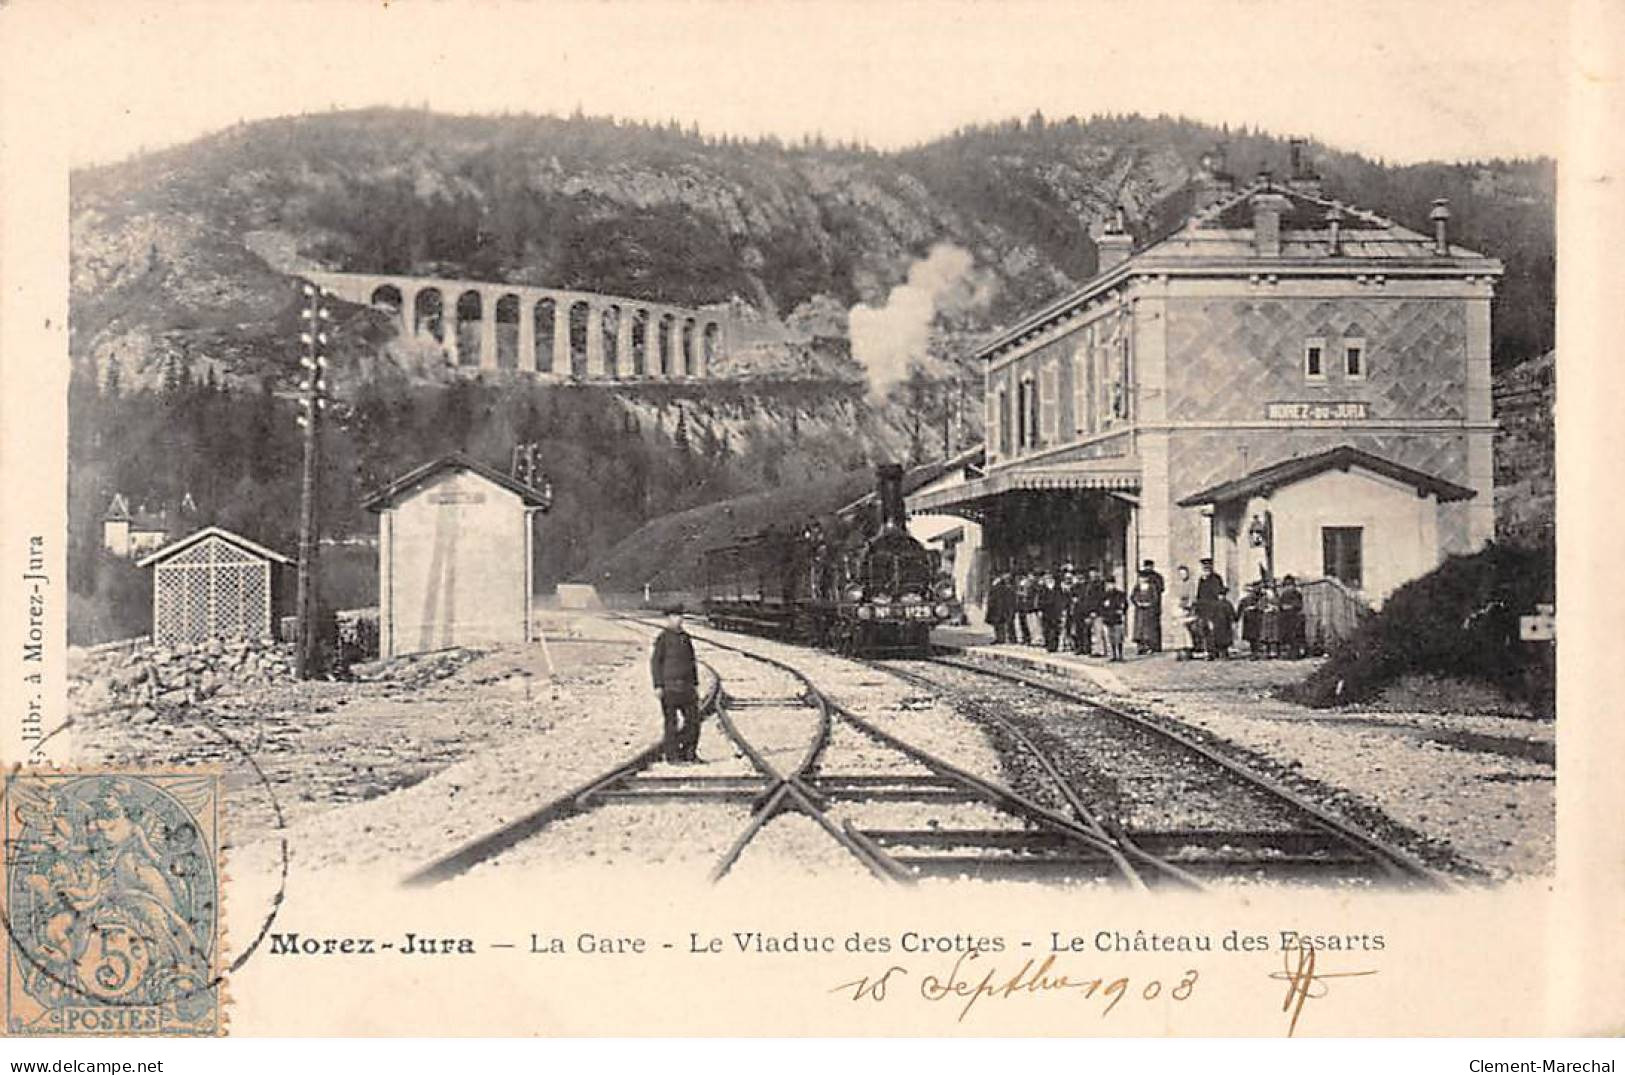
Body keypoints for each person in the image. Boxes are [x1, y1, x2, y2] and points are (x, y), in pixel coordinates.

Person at [650, 605, 701, 763]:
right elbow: (655, 663)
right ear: (668, 618)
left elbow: (692, 661)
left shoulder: (686, 637)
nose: (678, 619)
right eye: (674, 616)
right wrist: (658, 685)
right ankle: (672, 756)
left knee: (693, 722)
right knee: (671, 724)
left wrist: (695, 683)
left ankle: (689, 753)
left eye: (680, 616)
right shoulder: (663, 638)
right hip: (669, 687)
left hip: (687, 687)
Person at [1196, 558, 1231, 659]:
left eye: (1208, 567)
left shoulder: (1216, 578)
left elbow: (1218, 592)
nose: (1206, 569)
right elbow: (1199, 594)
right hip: (1204, 608)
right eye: (1204, 567)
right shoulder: (1201, 580)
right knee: (1206, 631)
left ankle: (1222, 651)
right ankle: (1210, 652)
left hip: (1215, 608)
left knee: (1218, 630)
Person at [1130, 568, 1162, 655]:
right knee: (1139, 629)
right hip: (1139, 611)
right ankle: (1140, 647)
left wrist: (1149, 604)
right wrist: (1137, 602)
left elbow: (1155, 598)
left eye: (1144, 578)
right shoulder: (1137, 587)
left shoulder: (1152, 587)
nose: (1142, 580)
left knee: (1148, 630)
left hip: (1148, 611)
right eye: (1140, 578)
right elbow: (1132, 597)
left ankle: (1149, 647)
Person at [1099, 573, 1128, 661]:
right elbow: (1100, 606)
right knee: (1111, 638)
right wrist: (1103, 614)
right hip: (1108, 618)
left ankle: (1120, 655)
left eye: (1111, 584)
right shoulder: (1104, 595)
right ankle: (1114, 655)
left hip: (1117, 618)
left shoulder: (1120, 594)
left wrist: (1122, 611)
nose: (1109, 586)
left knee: (1119, 637)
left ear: (1114, 584)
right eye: (1108, 584)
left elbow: (1125, 604)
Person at [1277, 575, 1307, 658]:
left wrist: (1290, 606)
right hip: (1285, 618)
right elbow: (1280, 604)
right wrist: (1281, 606)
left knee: (1295, 636)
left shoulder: (1296, 593)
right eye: (1286, 585)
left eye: (1290, 585)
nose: (1288, 587)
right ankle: (1289, 653)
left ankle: (1296, 653)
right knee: (1287, 636)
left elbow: (1298, 605)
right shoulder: (1284, 594)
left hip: (1294, 617)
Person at [1174, 564, 1200, 659]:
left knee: (1187, 630)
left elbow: (1192, 597)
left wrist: (1188, 606)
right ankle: (1180, 649)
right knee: (1178, 629)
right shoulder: (1177, 584)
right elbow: (1175, 596)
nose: (1182, 575)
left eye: (1184, 573)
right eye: (1180, 574)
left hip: (1188, 609)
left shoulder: (1191, 584)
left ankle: (1188, 650)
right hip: (1179, 608)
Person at [1140, 560, 1166, 652]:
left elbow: (1161, 589)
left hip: (1155, 605)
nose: (1148, 568)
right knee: (1143, 627)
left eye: (1149, 566)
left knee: (1154, 626)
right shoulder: (1142, 577)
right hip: (1143, 607)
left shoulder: (1157, 577)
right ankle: (1145, 646)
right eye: (1146, 566)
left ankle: (1156, 646)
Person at [1038, 572, 1065, 652]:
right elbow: (1040, 599)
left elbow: (1060, 599)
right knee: (1046, 628)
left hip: (1055, 611)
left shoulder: (1057, 588)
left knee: (1055, 628)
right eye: (1046, 578)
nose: (1047, 580)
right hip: (1046, 610)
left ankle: (1054, 645)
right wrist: (1040, 609)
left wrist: (1061, 610)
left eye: (1048, 578)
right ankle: (1048, 645)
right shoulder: (1042, 588)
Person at [1237, 581, 1263, 657]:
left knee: (1256, 637)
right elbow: (1240, 609)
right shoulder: (1245, 600)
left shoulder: (1260, 598)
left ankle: (1255, 652)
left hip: (1257, 620)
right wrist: (1237, 619)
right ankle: (1254, 652)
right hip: (1249, 620)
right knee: (1252, 637)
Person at [986, 573, 1012, 644]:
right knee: (996, 623)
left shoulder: (1003, 587)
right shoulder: (995, 585)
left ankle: (1002, 638)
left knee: (1000, 623)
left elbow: (1002, 598)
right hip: (994, 606)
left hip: (999, 607)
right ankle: (998, 638)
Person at [1015, 571, 1036, 645]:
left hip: (1027, 605)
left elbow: (1028, 594)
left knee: (1028, 623)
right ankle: (1024, 638)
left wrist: (1020, 593)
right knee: (1022, 622)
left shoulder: (1031, 584)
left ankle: (1029, 639)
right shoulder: (1021, 583)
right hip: (1021, 605)